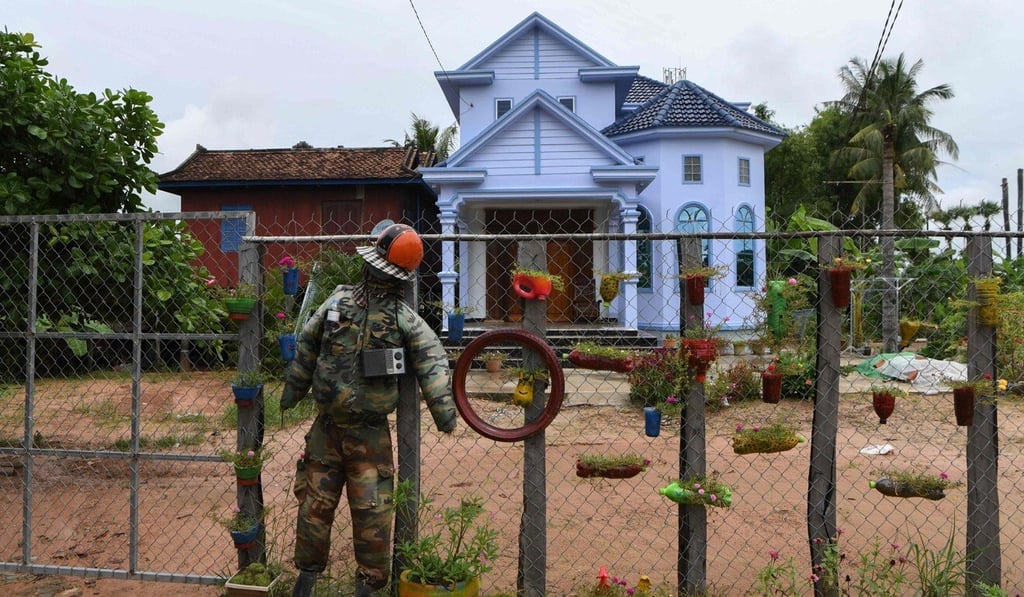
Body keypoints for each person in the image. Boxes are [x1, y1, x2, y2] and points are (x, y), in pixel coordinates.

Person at [280, 223, 457, 597]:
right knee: (315, 507)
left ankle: (368, 586)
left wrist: (445, 412)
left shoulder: (400, 316)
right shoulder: (337, 302)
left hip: (369, 434)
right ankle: (307, 580)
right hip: (326, 431)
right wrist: (292, 390)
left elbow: (431, 358)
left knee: (372, 513)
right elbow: (308, 346)